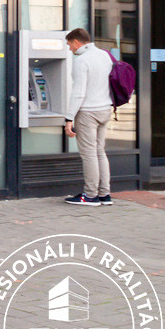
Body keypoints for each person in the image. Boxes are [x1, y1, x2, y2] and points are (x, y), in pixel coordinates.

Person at [62, 28, 115, 206]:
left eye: (69, 44)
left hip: (88, 112)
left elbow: (79, 92)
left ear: (76, 42)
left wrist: (69, 118)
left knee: (89, 155)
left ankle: (90, 195)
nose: (69, 48)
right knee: (100, 152)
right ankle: (104, 194)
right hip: (105, 109)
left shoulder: (82, 60)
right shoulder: (104, 55)